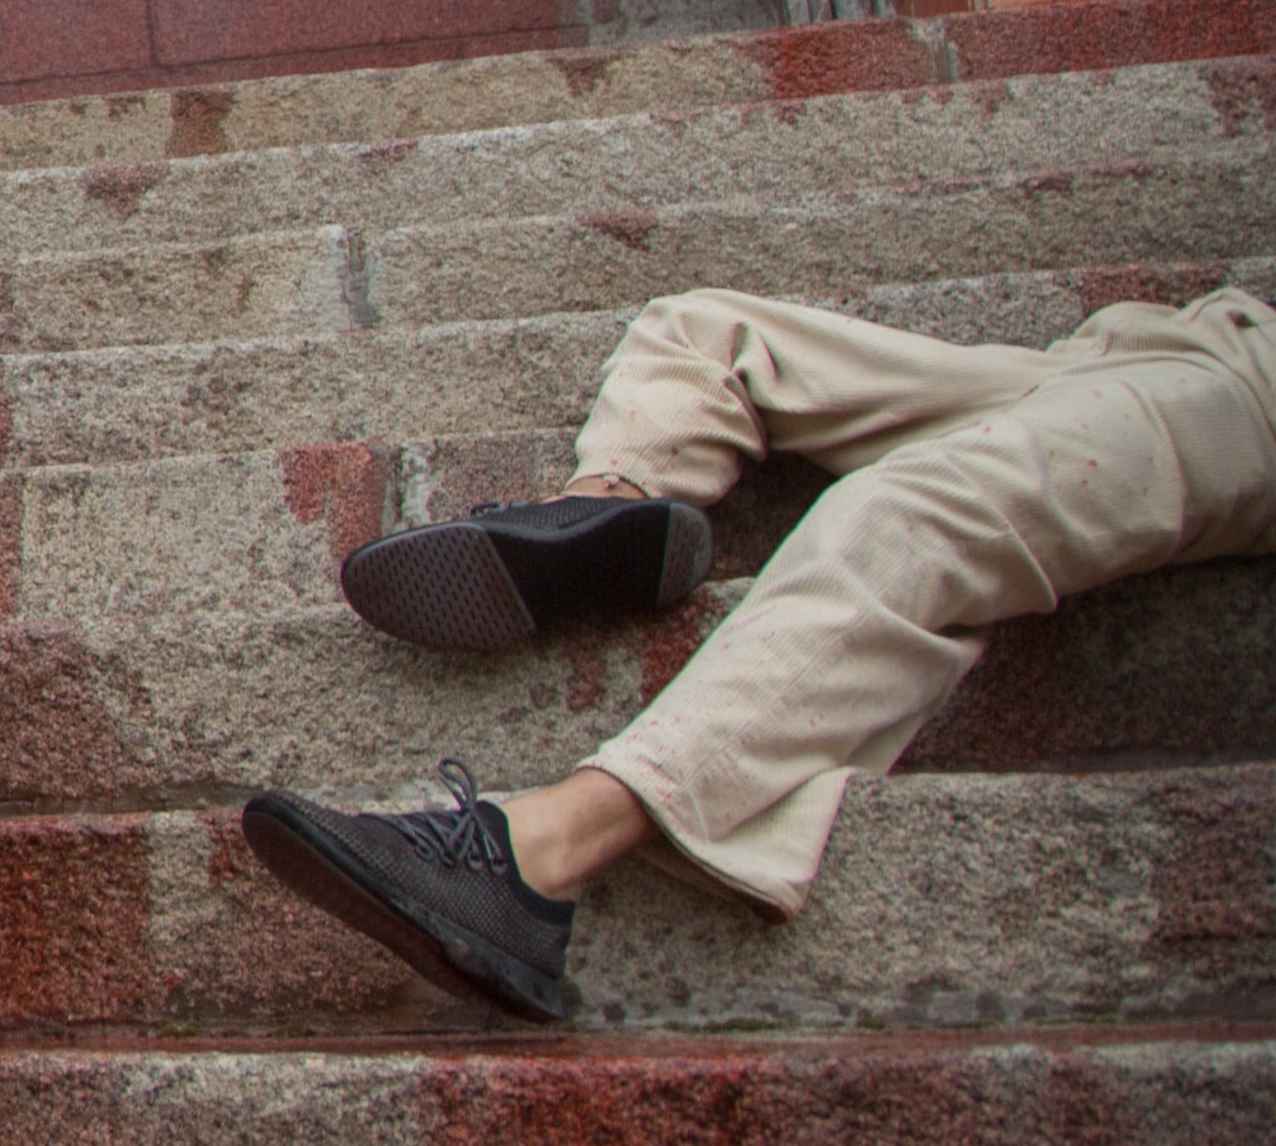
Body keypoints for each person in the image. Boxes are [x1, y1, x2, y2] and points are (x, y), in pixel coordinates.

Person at [242, 284, 1276, 1020]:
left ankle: (536, 855)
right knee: (699, 328)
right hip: (1167, 343)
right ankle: (604, 513)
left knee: (903, 515)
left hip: (1252, 400)